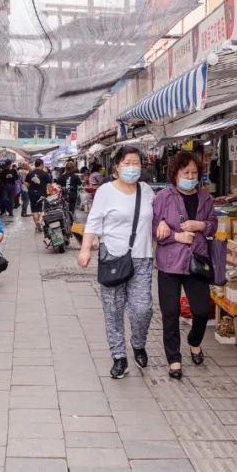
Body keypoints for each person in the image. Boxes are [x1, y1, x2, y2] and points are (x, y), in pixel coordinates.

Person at [78, 146, 155, 379]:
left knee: (143, 308)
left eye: (136, 163)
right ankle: (119, 356)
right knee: (113, 310)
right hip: (112, 256)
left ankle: (138, 343)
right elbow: (93, 221)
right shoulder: (105, 191)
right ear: (117, 167)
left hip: (142, 257)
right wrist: (85, 249)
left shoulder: (147, 191)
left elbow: (158, 218)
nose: (132, 167)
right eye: (127, 163)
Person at [152, 151, 219, 379]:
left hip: (197, 261)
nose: (190, 176)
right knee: (170, 312)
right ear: (175, 174)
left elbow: (213, 225)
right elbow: (153, 228)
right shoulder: (163, 197)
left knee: (201, 310)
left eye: (194, 173)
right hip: (169, 262)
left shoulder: (206, 198)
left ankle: (194, 341)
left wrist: (200, 225)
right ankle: (174, 359)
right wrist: (174, 235)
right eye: (185, 172)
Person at [26, 158, 53, 232]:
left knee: (34, 210)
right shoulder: (45, 174)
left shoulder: (30, 173)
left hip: (32, 194)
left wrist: (31, 187)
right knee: (43, 209)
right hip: (42, 194)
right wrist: (51, 194)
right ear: (41, 164)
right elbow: (49, 185)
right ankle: (40, 221)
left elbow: (26, 184)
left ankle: (37, 225)